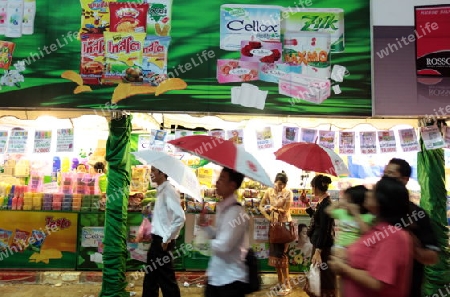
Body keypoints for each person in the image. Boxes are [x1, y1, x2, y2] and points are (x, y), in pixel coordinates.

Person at [328, 177, 413, 297]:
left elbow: (377, 282)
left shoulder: (393, 236)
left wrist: (343, 268)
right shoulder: (375, 229)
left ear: (384, 200)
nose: (367, 193)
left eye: (373, 190)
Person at [383, 158, 440, 297]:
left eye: (390, 174)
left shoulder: (417, 214)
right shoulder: (373, 210)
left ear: (404, 180)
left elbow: (432, 257)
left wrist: (409, 243)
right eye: (384, 174)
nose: (385, 179)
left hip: (407, 288)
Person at [199, 167, 249, 297]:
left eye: (222, 179)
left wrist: (203, 243)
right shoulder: (223, 207)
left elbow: (224, 245)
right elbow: (219, 237)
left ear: (232, 185)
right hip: (218, 276)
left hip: (230, 280)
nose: (217, 182)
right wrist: (205, 227)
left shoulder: (236, 213)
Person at [142, 166, 186, 297]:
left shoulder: (169, 191)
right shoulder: (161, 191)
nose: (151, 174)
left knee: (166, 281)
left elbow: (180, 217)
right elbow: (164, 218)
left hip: (162, 242)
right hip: (158, 240)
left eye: (154, 171)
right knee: (151, 279)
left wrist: (167, 239)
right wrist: (150, 213)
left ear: (162, 173)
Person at [325, 185, 374, 296]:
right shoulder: (343, 213)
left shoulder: (368, 217)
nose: (346, 203)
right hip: (340, 248)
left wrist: (356, 214)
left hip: (359, 251)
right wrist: (340, 203)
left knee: (352, 279)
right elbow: (328, 210)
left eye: (349, 200)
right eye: (346, 200)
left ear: (358, 202)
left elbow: (366, 232)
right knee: (342, 276)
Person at [259, 171, 293, 296]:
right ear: (275, 182)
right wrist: (267, 216)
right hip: (273, 226)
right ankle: (280, 283)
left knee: (282, 255)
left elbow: (286, 210)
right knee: (275, 256)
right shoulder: (269, 191)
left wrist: (274, 209)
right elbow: (261, 206)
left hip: (284, 226)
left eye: (283, 185)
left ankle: (287, 285)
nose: (280, 187)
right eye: (279, 184)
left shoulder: (288, 193)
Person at [302, 174, 336, 297]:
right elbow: (316, 220)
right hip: (320, 245)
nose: (312, 190)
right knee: (319, 276)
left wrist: (318, 251)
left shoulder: (326, 204)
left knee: (323, 277)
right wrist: (306, 203)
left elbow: (324, 229)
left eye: (312, 187)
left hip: (322, 247)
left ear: (316, 187)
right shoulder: (323, 202)